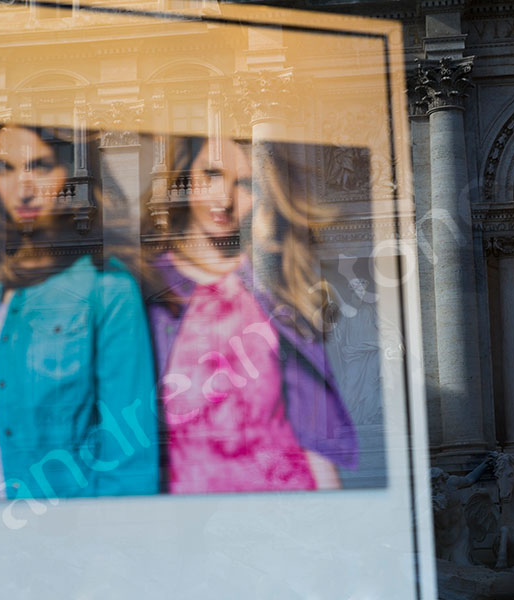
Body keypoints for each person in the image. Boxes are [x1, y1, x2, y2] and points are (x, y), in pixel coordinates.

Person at [0, 122, 158, 502]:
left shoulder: (106, 290)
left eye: (40, 166)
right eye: (4, 168)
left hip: (53, 539)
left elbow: (128, 453)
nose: (23, 188)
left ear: (73, 173)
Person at [144, 136, 358, 494]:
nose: (224, 199)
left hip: (285, 512)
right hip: (193, 519)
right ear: (183, 178)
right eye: (211, 175)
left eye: (244, 184)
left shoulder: (277, 296)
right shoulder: (142, 290)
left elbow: (311, 440)